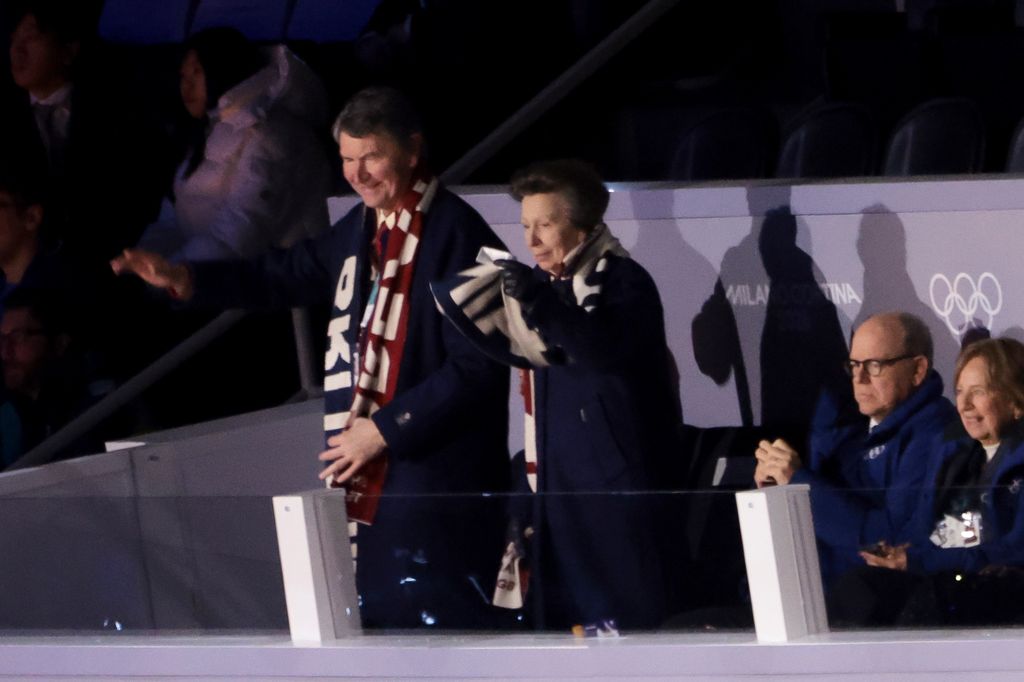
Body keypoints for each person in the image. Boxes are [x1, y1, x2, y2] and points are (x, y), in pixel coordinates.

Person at [111, 86, 511, 629]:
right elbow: (280, 275)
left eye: (371, 156)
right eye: (347, 159)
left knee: (445, 635)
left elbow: (481, 368)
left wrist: (384, 430)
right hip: (376, 479)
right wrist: (185, 278)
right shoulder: (361, 231)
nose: (358, 174)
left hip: (436, 482)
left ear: (413, 150)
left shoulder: (463, 234)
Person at [434, 159, 683, 630]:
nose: (530, 241)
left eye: (545, 225)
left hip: (619, 504)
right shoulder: (548, 290)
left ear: (583, 225)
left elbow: (600, 349)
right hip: (560, 498)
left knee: (635, 639)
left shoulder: (625, 281)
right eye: (526, 226)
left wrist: (541, 302)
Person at [754, 312, 957, 584]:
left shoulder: (935, 433)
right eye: (854, 365)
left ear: (918, 370)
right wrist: (778, 488)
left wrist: (799, 482)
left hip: (874, 605)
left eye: (874, 365)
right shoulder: (847, 429)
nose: (859, 378)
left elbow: (888, 539)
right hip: (811, 589)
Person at [838, 338, 1024, 625]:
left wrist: (920, 561)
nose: (964, 404)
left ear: (1016, 401)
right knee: (861, 586)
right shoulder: (953, 453)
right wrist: (902, 553)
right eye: (960, 392)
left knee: (935, 600)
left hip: (995, 591)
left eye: (978, 392)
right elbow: (924, 528)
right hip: (944, 578)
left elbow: (1014, 550)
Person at [137, 27, 332, 262]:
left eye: (196, 73)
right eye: (183, 76)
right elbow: (176, 215)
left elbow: (240, 236)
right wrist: (148, 260)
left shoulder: (270, 134)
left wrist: (173, 276)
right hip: (206, 283)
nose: (186, 87)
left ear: (222, 68)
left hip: (269, 288)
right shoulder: (211, 130)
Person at [2, 0, 169, 263]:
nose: (17, 50)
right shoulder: (7, 121)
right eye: (13, 40)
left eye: (31, 38)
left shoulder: (115, 110)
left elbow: (139, 191)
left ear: (68, 50)